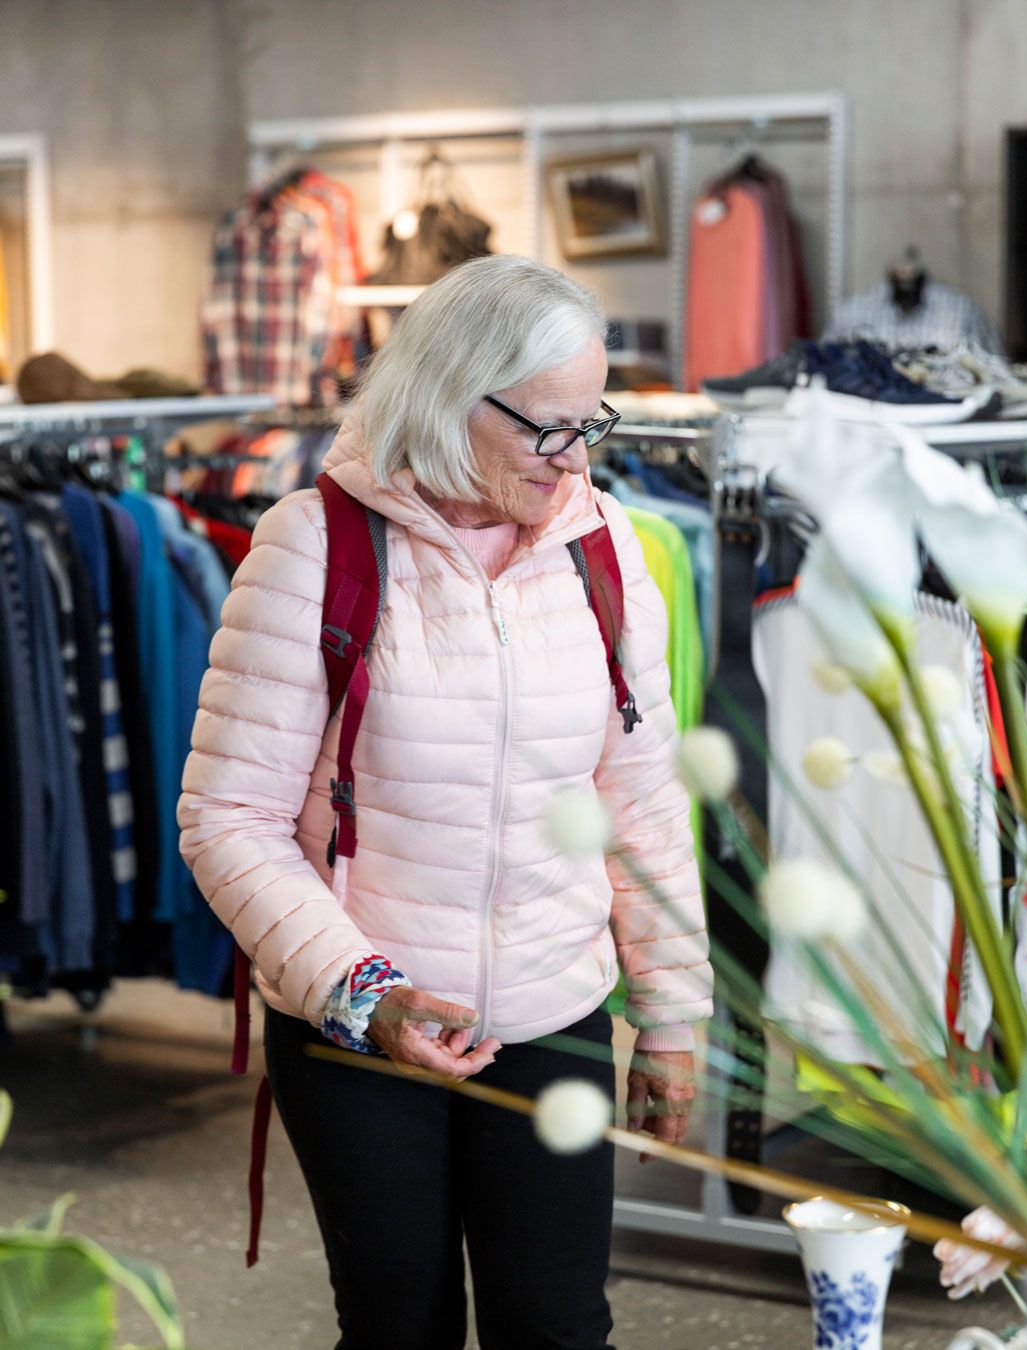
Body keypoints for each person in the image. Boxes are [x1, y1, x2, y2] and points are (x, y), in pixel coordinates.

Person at [178, 254, 713, 1350]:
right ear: (450, 395)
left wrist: (670, 1016)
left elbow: (640, 804)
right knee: (400, 1327)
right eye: (543, 429)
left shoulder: (604, 552)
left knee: (559, 1327)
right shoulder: (314, 546)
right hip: (363, 1036)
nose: (572, 460)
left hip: (553, 1012)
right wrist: (361, 988)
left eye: (589, 424)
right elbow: (227, 819)